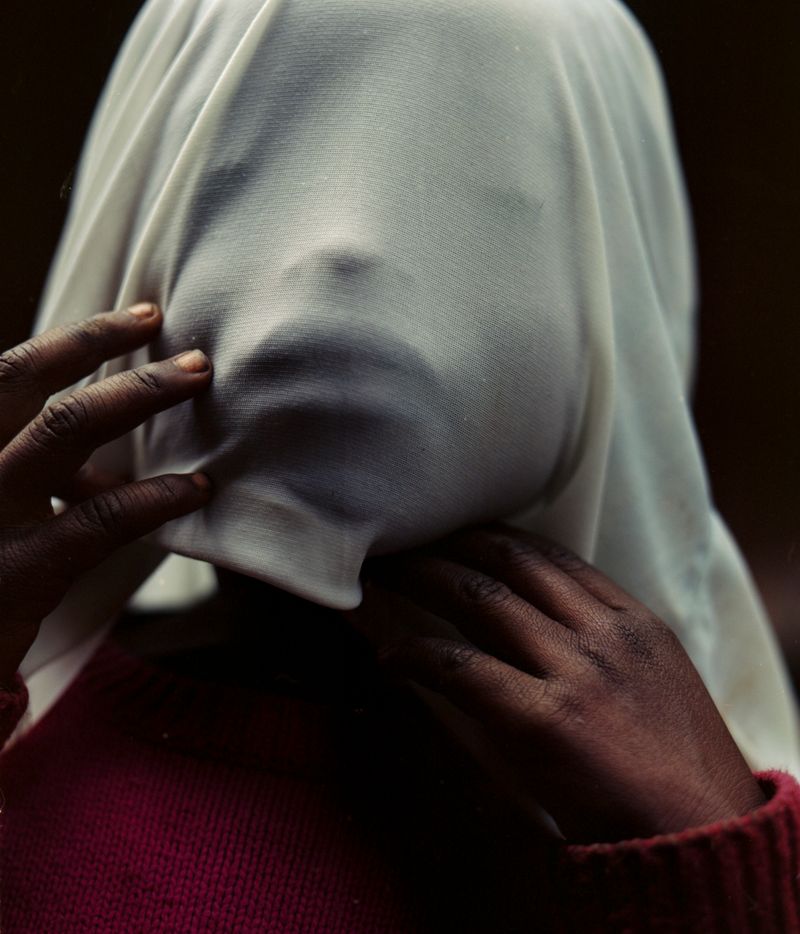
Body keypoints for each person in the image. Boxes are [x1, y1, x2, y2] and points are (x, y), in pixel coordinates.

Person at [1, 0, 799, 930]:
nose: (343, 256)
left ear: (609, 292)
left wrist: (711, 865)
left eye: (473, 195)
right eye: (267, 173)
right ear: (144, 215)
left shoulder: (717, 818)